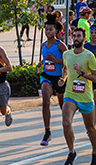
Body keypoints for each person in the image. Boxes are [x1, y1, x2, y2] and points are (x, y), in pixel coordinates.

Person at [57, 27, 96, 165]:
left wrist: (82, 73)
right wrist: (63, 79)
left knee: (90, 128)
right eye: (74, 36)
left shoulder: (89, 56)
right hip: (70, 94)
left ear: (84, 38)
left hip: (85, 97)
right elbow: (65, 69)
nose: (76, 38)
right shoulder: (66, 54)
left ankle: (95, 153)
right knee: (66, 123)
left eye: (79, 36)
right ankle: (71, 152)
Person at [38, 15, 67, 146]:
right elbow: (45, 59)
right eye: (46, 29)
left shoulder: (60, 45)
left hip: (59, 77)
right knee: (45, 101)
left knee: (63, 106)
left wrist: (56, 61)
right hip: (47, 76)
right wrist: (40, 64)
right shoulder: (43, 45)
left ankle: (67, 126)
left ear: (56, 31)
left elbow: (68, 61)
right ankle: (47, 131)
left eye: (50, 29)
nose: (48, 32)